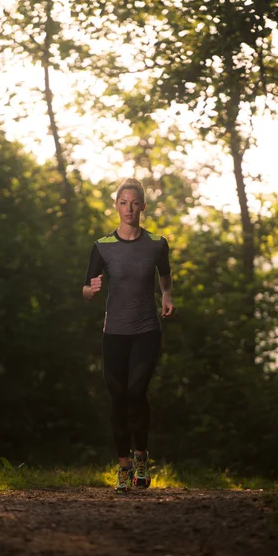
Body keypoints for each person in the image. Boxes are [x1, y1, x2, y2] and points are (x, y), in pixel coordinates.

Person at [82, 177, 174, 493]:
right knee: (118, 397)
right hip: (115, 334)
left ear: (143, 207)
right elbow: (85, 286)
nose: (129, 209)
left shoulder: (157, 243)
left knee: (137, 392)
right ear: (117, 206)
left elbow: (165, 274)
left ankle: (142, 458)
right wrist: (90, 291)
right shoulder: (102, 246)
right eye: (124, 203)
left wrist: (167, 296)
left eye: (135, 203)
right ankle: (123, 468)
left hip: (147, 330)